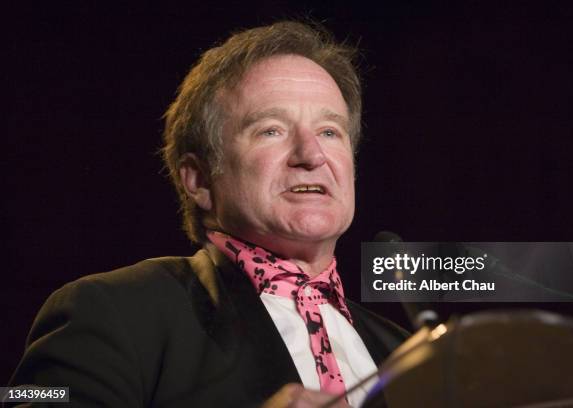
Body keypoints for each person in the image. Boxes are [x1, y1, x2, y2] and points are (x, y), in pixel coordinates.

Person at [9, 21, 407, 407]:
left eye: (329, 132)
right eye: (271, 130)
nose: (311, 155)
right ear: (198, 179)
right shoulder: (113, 311)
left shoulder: (405, 353)